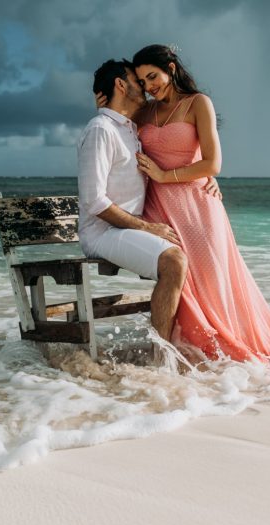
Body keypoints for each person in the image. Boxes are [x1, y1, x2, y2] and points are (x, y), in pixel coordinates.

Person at [130, 44, 270, 366]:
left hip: (199, 208)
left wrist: (168, 175)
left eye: (152, 76)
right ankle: (176, 356)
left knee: (212, 283)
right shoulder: (142, 112)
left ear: (170, 67)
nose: (148, 86)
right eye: (142, 82)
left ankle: (214, 358)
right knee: (178, 278)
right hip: (159, 208)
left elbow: (213, 164)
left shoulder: (198, 103)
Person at [76, 59, 188, 341]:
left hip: (124, 228)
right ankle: (162, 355)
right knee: (173, 260)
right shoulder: (100, 129)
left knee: (189, 250)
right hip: (102, 233)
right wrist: (147, 228)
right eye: (138, 82)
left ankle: (188, 341)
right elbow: (94, 201)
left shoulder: (127, 129)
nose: (146, 88)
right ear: (120, 84)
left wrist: (205, 176)